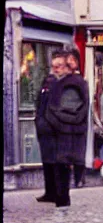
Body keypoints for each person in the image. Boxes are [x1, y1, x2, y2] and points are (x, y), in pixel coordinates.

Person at [44, 50, 89, 209]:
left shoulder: (69, 83)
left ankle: (63, 199)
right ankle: (62, 198)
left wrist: (54, 120)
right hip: (66, 133)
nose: (55, 70)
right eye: (53, 67)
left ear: (68, 67)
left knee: (62, 166)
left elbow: (69, 110)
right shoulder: (63, 83)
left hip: (65, 134)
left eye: (59, 66)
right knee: (62, 166)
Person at [65, 46, 87, 188]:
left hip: (77, 124)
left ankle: (79, 178)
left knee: (78, 154)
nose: (69, 62)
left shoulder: (81, 81)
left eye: (72, 60)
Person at [34, 70, 58, 202]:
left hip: (52, 133)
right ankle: (49, 192)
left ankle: (55, 193)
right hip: (43, 133)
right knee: (47, 164)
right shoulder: (42, 93)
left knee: (53, 164)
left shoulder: (54, 95)